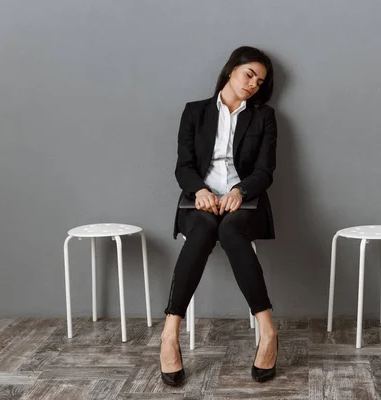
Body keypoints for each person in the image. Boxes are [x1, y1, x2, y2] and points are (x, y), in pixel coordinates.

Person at [159, 46, 278, 386]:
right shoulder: (194, 112)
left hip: (246, 203)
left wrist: (239, 192)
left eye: (260, 80)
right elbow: (183, 166)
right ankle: (170, 334)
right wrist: (201, 191)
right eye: (249, 74)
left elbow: (266, 171)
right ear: (231, 70)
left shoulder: (264, 116)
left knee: (230, 231)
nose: (253, 84)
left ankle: (267, 332)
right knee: (202, 231)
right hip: (199, 202)